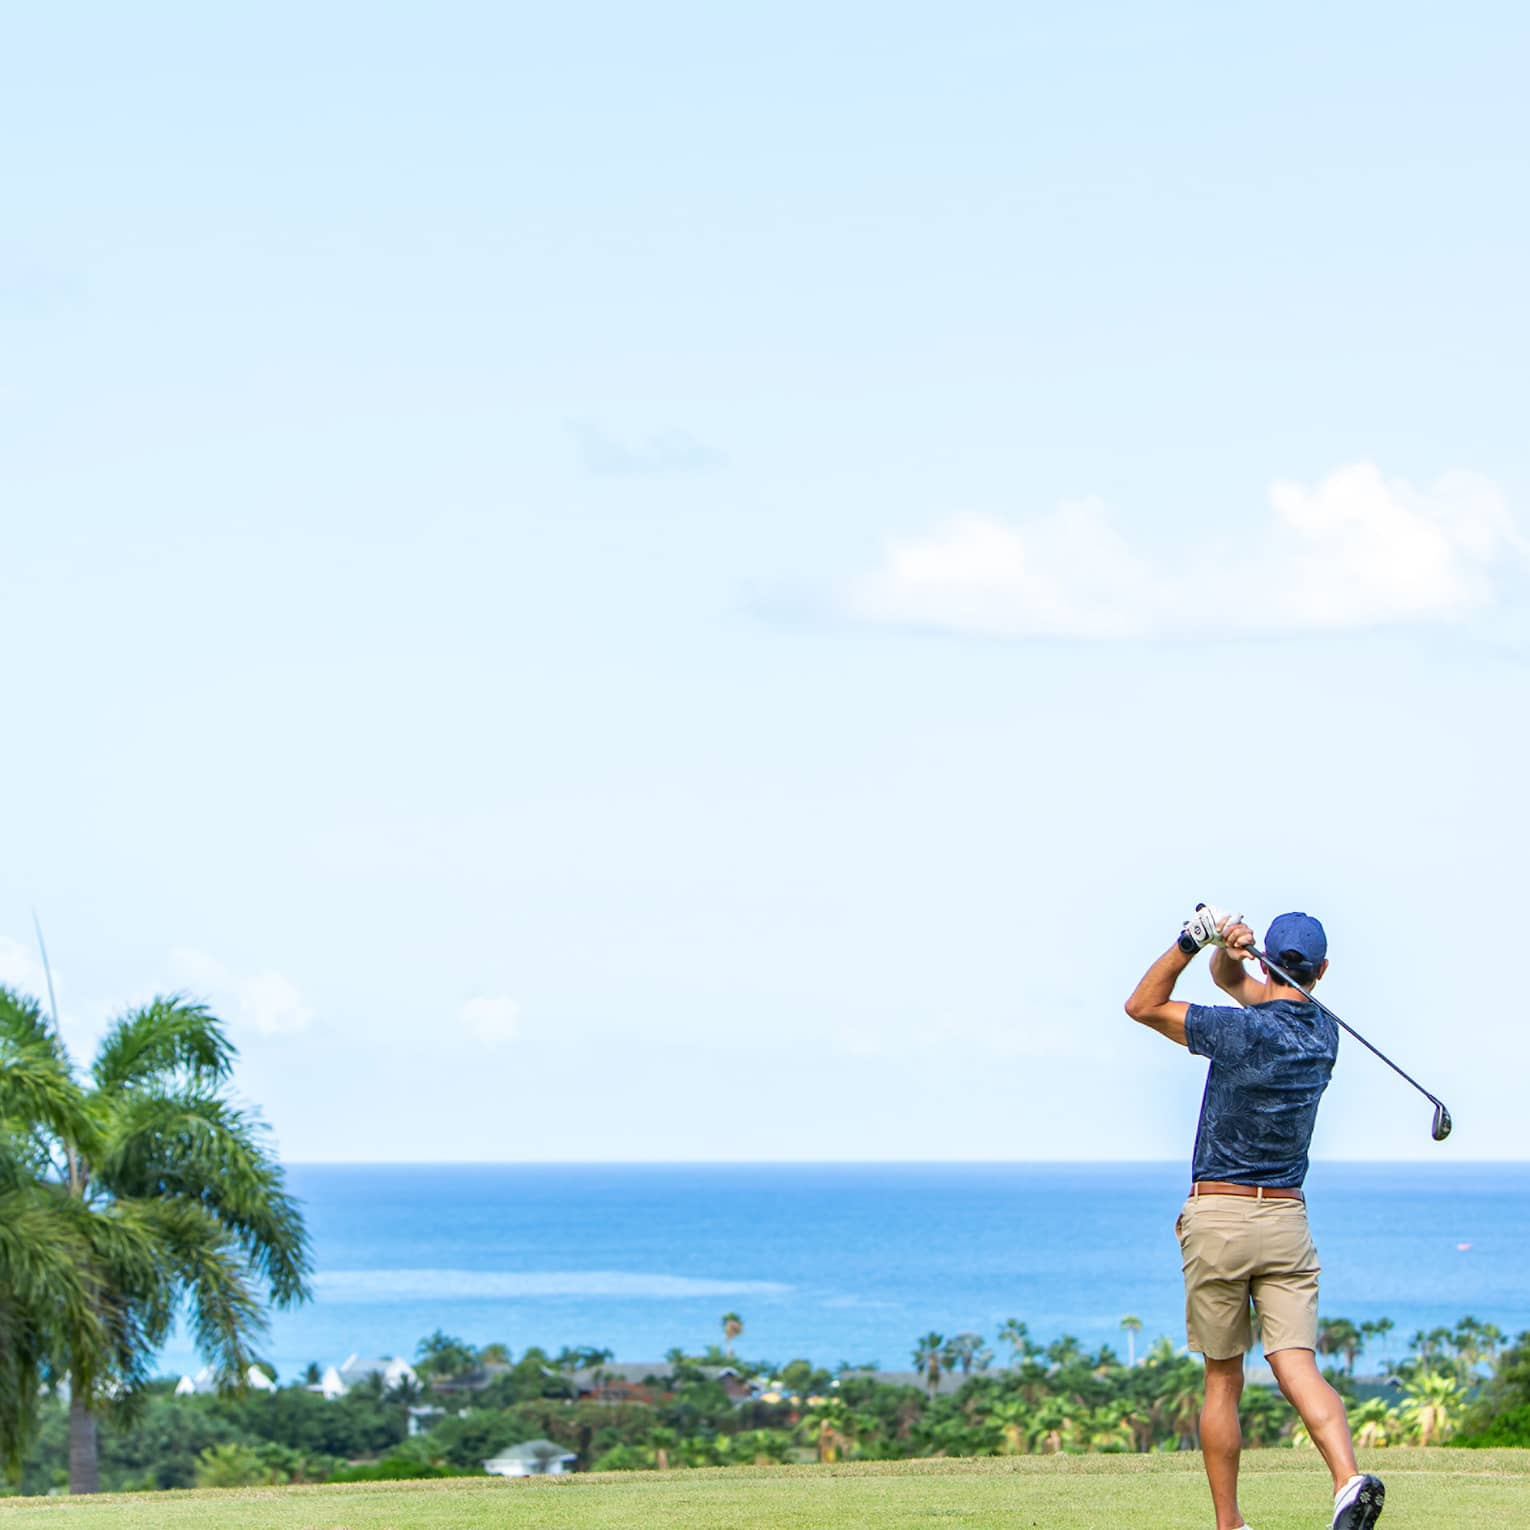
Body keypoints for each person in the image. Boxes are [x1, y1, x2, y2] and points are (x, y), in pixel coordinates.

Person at [1125, 904, 1385, 1530]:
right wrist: (1229, 953)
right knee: (1296, 1363)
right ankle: (1347, 1481)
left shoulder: (1237, 1032)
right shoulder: (1324, 1036)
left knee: (1223, 1380)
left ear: (1269, 961)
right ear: (1323, 969)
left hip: (1219, 1215)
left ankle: (1230, 1524)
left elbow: (1143, 1005)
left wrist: (1193, 940)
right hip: (1286, 1222)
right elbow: (1242, 988)